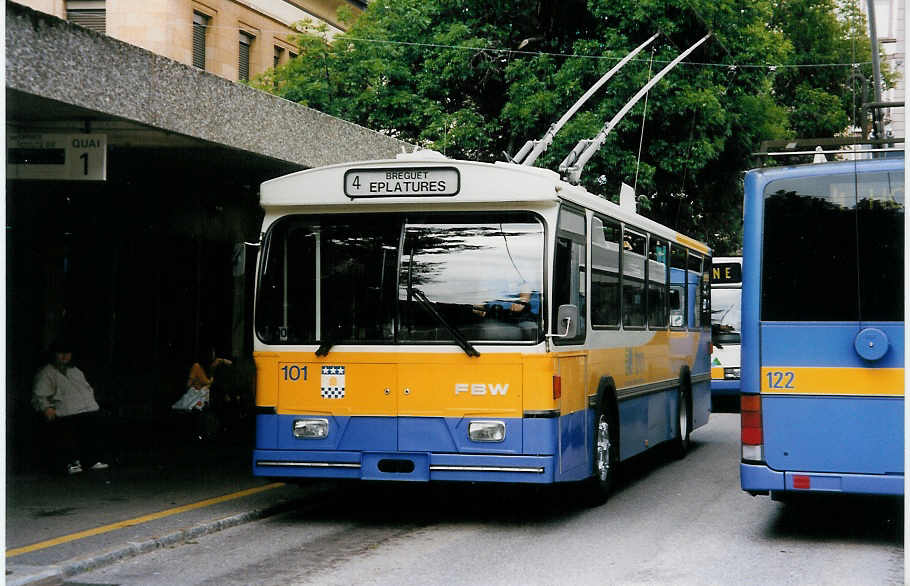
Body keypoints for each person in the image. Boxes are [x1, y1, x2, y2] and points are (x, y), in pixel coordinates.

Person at [32, 338, 110, 475]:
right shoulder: (46, 372)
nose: (64, 356)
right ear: (54, 355)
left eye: (67, 353)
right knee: (68, 433)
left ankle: (91, 460)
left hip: (86, 409)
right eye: (60, 353)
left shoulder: (75, 370)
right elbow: (40, 395)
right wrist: (46, 408)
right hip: (66, 412)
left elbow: (86, 388)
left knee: (92, 432)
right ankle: (71, 462)